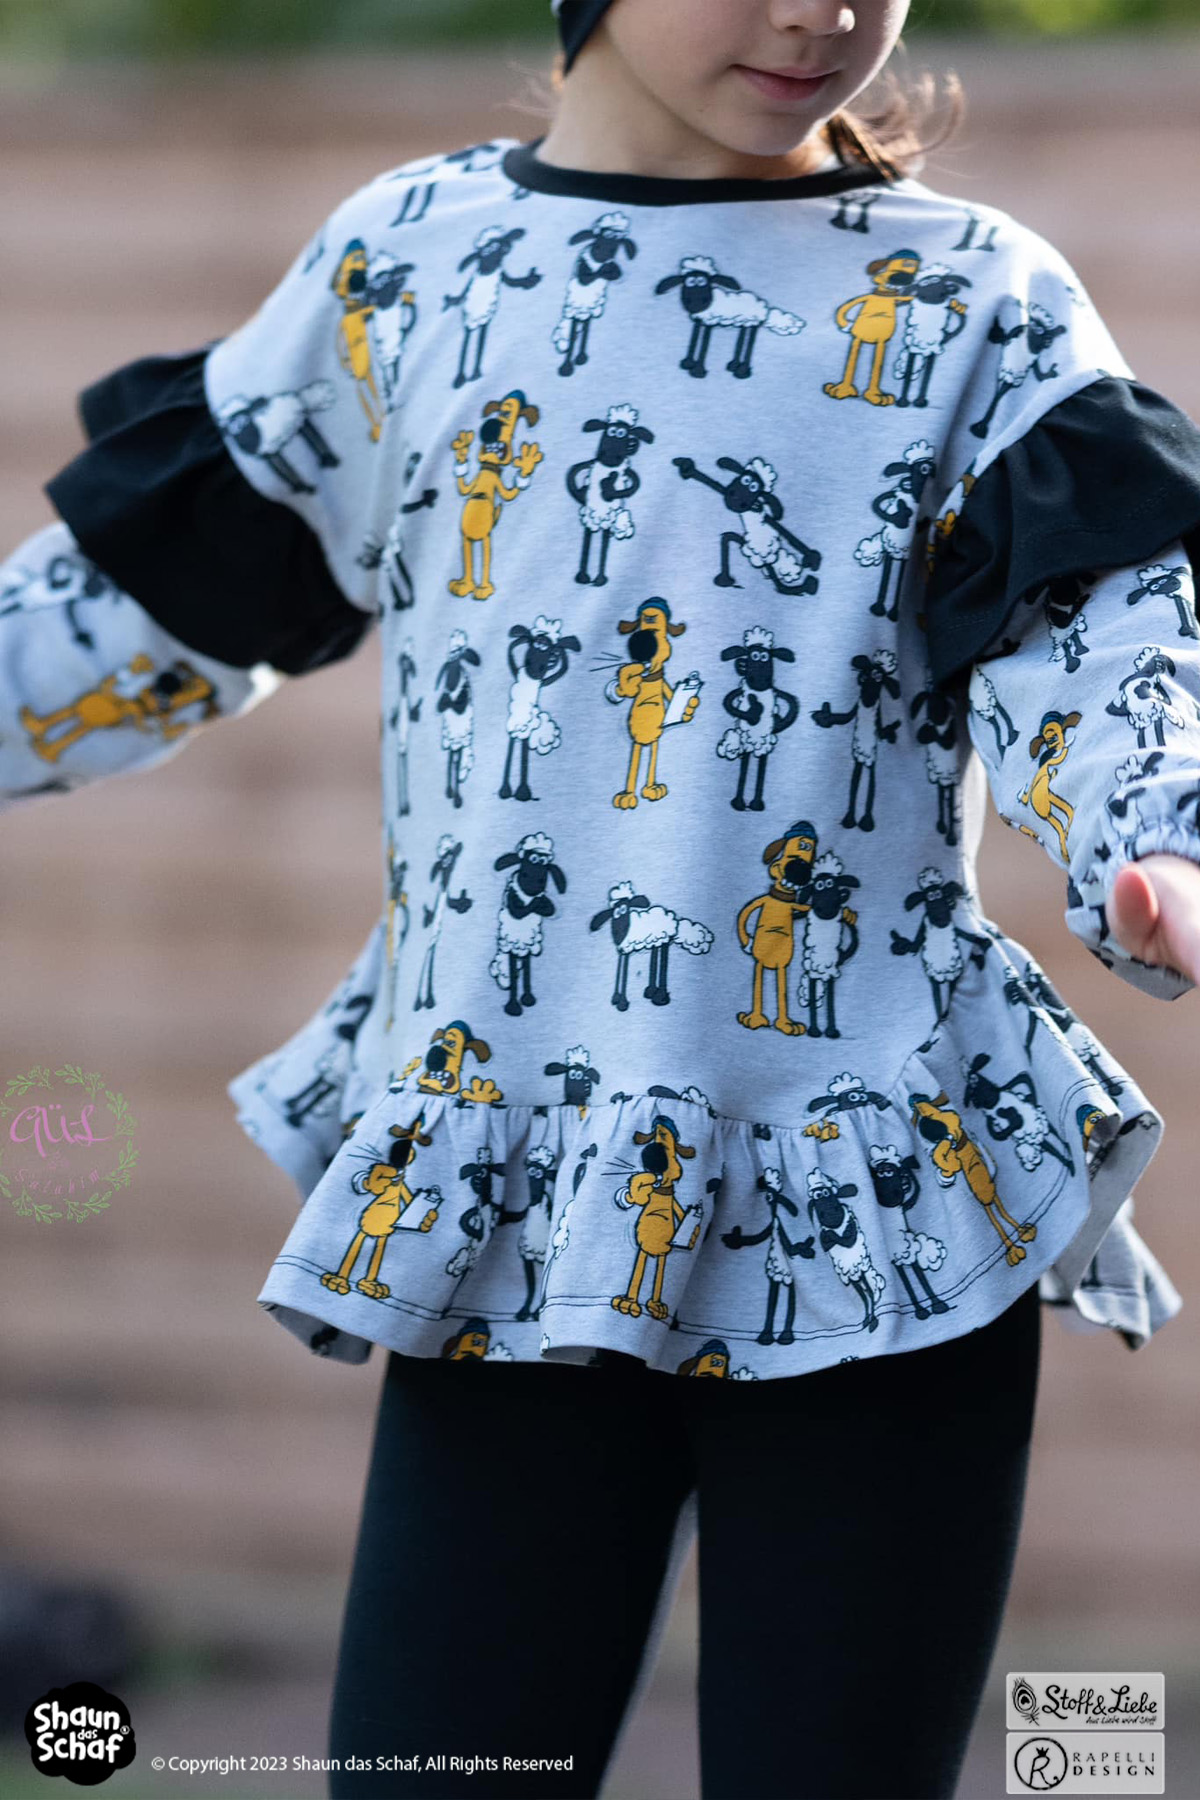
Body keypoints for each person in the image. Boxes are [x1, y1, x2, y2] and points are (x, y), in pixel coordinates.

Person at [4, 2, 1200, 1795]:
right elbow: (145, 598)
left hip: (876, 1201)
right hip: (507, 1184)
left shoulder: (978, 298)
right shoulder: (412, 264)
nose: (822, 12)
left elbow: (1101, 639)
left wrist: (1160, 840)